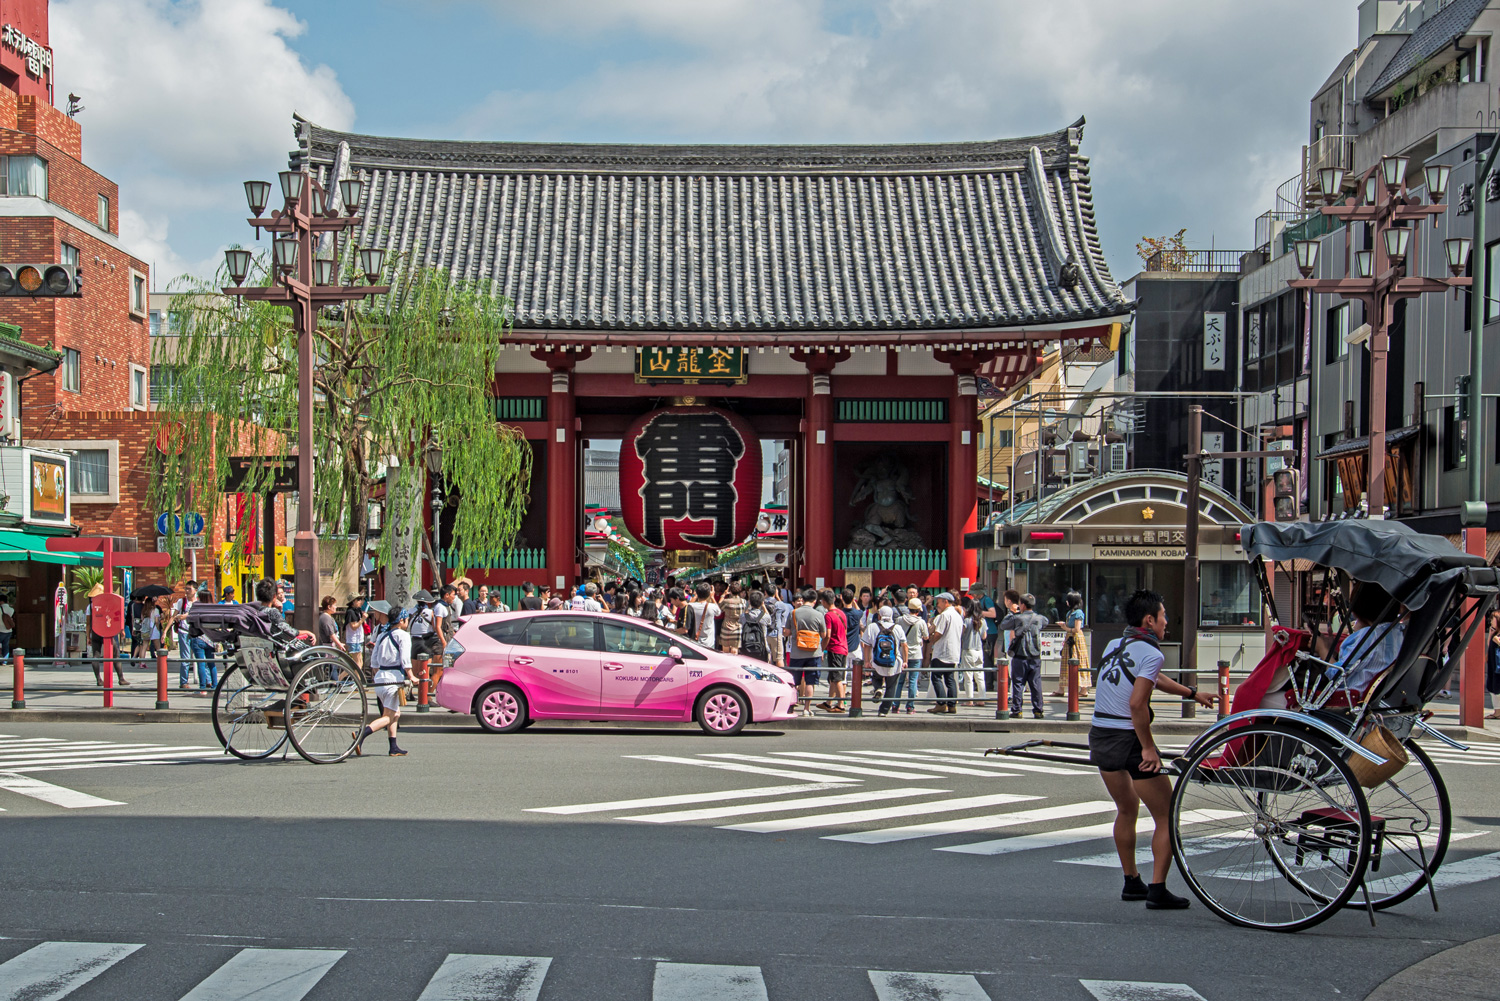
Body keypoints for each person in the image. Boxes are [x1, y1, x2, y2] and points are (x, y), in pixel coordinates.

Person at [1089, 588, 1214, 909]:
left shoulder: (1116, 644)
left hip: (1101, 734)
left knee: (1126, 809)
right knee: (1166, 814)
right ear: (1150, 619)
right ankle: (1157, 889)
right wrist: (1148, 749)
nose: (1166, 622)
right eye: (1163, 616)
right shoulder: (1152, 652)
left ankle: (1132, 882)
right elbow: (1137, 704)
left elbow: (1153, 679)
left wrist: (1191, 693)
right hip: (1129, 739)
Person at [354, 601, 417, 756]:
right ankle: (361, 735)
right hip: (393, 679)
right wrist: (411, 676)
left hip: (380, 678)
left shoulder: (382, 635)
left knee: (395, 714)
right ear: (401, 621)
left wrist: (379, 674)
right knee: (388, 716)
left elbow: (374, 661)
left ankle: (393, 747)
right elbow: (405, 659)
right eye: (406, 619)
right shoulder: (403, 636)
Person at [998, 590, 1048, 719]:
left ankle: (1017, 710)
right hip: (1035, 656)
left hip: (1020, 655)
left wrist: (1012, 613)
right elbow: (1046, 622)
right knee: (1035, 684)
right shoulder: (1040, 618)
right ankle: (1038, 710)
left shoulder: (1017, 618)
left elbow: (1003, 625)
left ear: (1023, 605)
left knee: (1018, 683)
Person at [863, 605, 909, 716]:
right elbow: (904, 645)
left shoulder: (873, 626)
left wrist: (867, 661)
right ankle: (883, 711)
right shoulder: (897, 628)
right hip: (894, 662)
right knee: (891, 686)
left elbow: (867, 645)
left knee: (876, 678)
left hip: (877, 661)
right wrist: (905, 661)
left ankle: (878, 688)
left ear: (879, 615)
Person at [787, 588, 827, 716]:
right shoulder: (819, 615)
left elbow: (786, 632)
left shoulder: (794, 613)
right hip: (814, 652)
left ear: (802, 600)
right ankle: (806, 708)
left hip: (796, 652)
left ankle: (791, 706)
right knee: (810, 681)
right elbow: (824, 634)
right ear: (815, 601)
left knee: (794, 682)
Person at [925, 591, 963, 714]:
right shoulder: (957, 615)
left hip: (942, 651)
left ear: (946, 602)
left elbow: (939, 633)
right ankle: (952, 705)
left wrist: (930, 640)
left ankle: (941, 703)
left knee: (936, 677)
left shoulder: (944, 616)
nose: (937, 605)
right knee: (950, 678)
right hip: (954, 651)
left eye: (939, 602)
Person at [1053, 590, 1090, 698]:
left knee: (1078, 661)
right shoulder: (1070, 613)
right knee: (1066, 661)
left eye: (1068, 600)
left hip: (1076, 639)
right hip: (1069, 637)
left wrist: (1065, 627)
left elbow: (1077, 629)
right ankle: (1061, 688)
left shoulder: (1078, 613)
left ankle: (1083, 688)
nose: (1066, 602)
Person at [897, 598, 929, 714]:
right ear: (918, 610)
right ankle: (910, 706)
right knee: (913, 680)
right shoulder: (921, 622)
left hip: (902, 653)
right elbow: (926, 637)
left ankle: (895, 704)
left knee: (899, 680)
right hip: (916, 653)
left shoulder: (900, 620)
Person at [820, 589, 849, 713]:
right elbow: (845, 630)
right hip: (843, 647)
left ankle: (841, 704)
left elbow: (827, 635)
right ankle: (828, 703)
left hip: (834, 648)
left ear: (824, 602)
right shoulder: (841, 613)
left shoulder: (828, 615)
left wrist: (822, 648)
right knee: (834, 676)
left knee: (837, 678)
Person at [958, 600, 986, 706]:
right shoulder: (983, 621)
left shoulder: (967, 621)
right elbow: (984, 636)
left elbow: (961, 633)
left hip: (968, 649)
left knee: (968, 676)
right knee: (980, 676)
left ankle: (970, 700)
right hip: (979, 650)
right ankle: (982, 699)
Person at [190, 587, 217, 693]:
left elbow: (191, 621)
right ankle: (215, 686)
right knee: (211, 663)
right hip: (210, 639)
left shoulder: (197, 608)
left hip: (199, 638)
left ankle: (202, 688)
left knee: (201, 663)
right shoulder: (214, 609)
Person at [684, 582, 722, 649]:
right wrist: (712, 597)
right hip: (709, 642)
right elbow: (718, 612)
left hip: (693, 640)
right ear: (709, 594)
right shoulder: (712, 607)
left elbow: (687, 606)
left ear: (697, 593)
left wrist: (694, 596)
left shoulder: (691, 606)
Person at [171, 587, 195, 690]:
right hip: (183, 631)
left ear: (195, 590)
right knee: (185, 658)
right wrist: (165, 632)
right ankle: (184, 682)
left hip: (195, 632)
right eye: (186, 589)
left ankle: (206, 682)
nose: (187, 591)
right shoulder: (182, 601)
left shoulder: (198, 602)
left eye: (189, 589)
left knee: (200, 657)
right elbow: (173, 616)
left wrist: (187, 616)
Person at [740, 591, 773, 663]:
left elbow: (742, 617)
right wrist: (763, 606)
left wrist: (748, 607)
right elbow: (769, 621)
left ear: (750, 602)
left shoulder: (743, 616)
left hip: (746, 647)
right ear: (762, 602)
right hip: (762, 648)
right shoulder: (765, 617)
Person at [718, 582, 745, 655]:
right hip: (738, 626)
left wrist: (723, 595)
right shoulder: (743, 602)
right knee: (735, 649)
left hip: (726, 625)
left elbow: (718, 609)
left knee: (725, 650)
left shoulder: (726, 601)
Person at [343, 595, 368, 674]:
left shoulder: (358, 611)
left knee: (359, 663)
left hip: (358, 639)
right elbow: (353, 626)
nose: (361, 601)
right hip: (353, 640)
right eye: (359, 599)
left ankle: (357, 683)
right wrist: (362, 619)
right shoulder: (350, 611)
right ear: (353, 601)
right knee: (357, 664)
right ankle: (356, 683)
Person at [768, 588, 792, 668]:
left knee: (767, 658)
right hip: (776, 633)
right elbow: (785, 607)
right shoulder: (780, 604)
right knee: (779, 658)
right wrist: (777, 596)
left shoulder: (762, 602)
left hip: (764, 633)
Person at [1485, 609, 1500, 720]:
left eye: (1493, 619)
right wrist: (1491, 635)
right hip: (1493, 663)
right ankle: (1497, 712)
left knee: (1497, 688)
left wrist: (1496, 640)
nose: (1491, 621)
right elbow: (1489, 645)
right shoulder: (1495, 633)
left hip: (1498, 665)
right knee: (1492, 687)